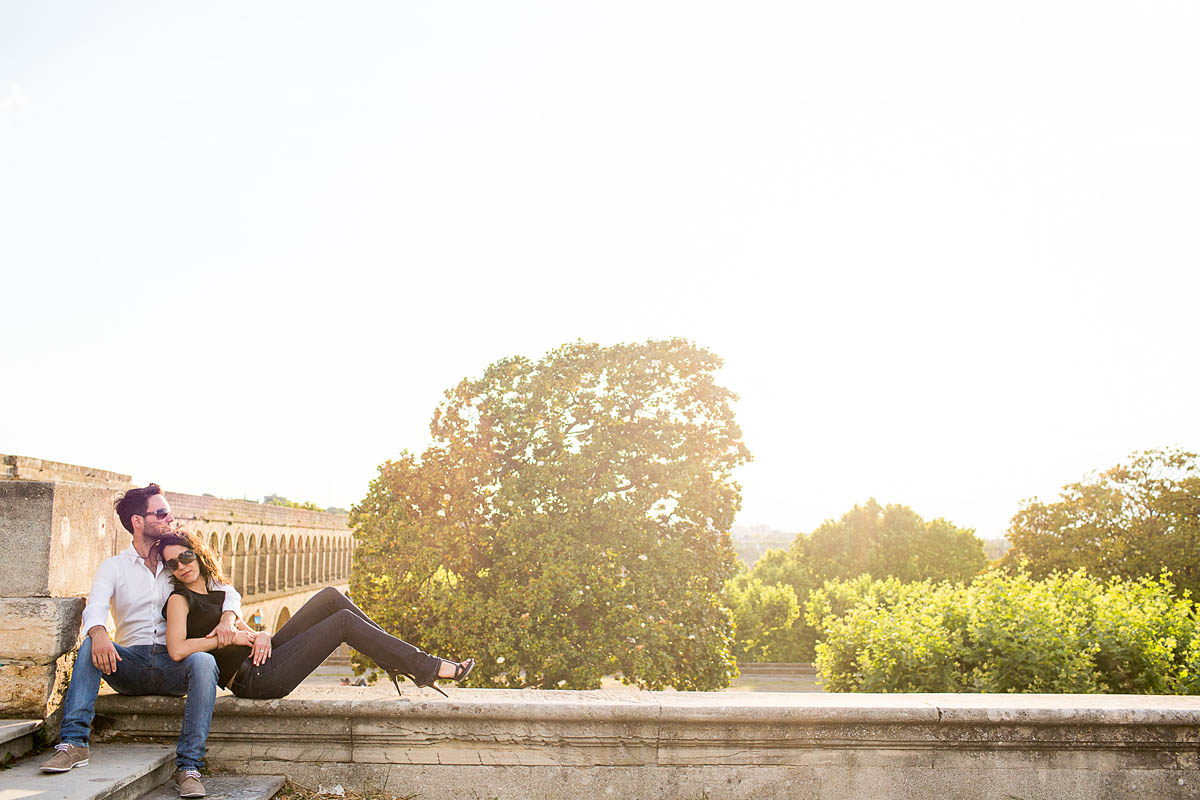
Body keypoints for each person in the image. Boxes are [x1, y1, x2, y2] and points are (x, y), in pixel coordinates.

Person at [43, 485, 241, 799]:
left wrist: (229, 617)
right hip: (129, 664)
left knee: (204, 660)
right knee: (88, 647)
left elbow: (224, 588)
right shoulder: (114, 567)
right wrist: (99, 634)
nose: (169, 518)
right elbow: (95, 607)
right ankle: (74, 743)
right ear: (138, 521)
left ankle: (188, 767)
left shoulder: (175, 563)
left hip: (173, 663)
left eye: (169, 512)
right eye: (161, 513)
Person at [155, 531, 474, 701]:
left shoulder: (218, 592)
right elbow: (177, 649)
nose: (182, 566)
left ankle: (399, 661)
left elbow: (246, 629)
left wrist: (262, 633)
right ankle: (424, 666)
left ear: (196, 553)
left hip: (263, 657)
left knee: (331, 597)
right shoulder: (179, 600)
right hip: (254, 679)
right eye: (172, 564)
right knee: (343, 624)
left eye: (184, 556)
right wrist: (225, 640)